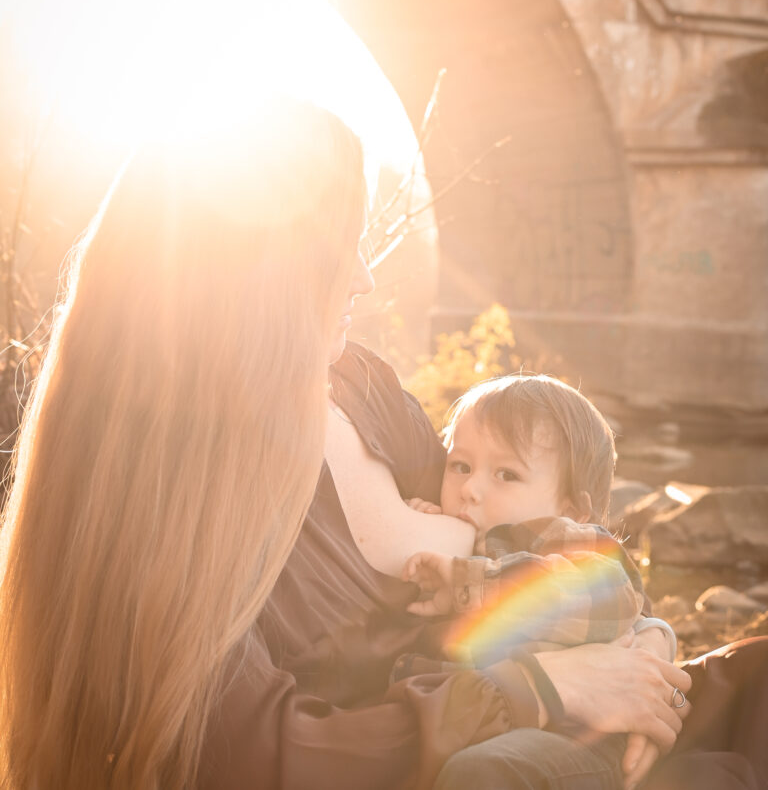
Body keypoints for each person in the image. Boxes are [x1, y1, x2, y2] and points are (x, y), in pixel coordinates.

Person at [0, 100, 759, 790]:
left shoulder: (363, 388)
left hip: (580, 727)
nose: (365, 277)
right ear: (260, 284)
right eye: (343, 249)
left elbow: (538, 538)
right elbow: (243, 754)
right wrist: (545, 689)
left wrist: (649, 647)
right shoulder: (161, 507)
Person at [397, 373, 677, 789]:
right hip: (486, 718)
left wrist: (471, 582)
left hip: (574, 735)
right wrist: (414, 524)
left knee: (488, 771)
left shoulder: (565, 539)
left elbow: (608, 597)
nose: (469, 488)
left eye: (506, 475)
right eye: (460, 466)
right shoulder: (457, 541)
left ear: (572, 508)